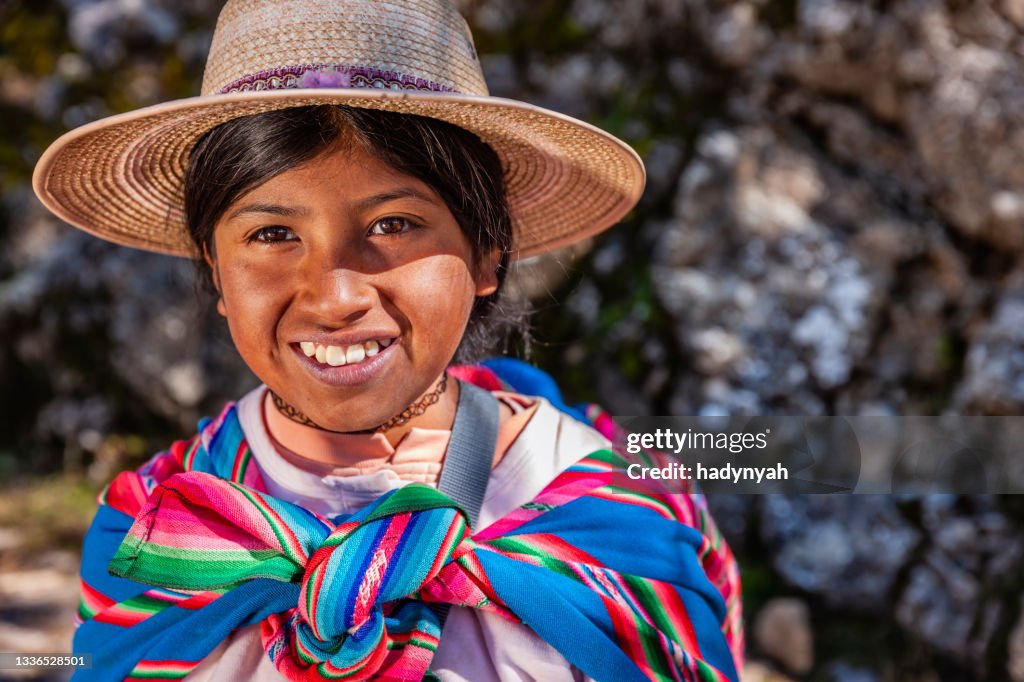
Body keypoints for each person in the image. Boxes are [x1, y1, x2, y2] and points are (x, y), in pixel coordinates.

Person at [33, 0, 743, 679]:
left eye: (393, 225)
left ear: (488, 253)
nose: (337, 296)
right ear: (218, 272)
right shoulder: (154, 528)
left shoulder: (622, 517)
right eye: (273, 234)